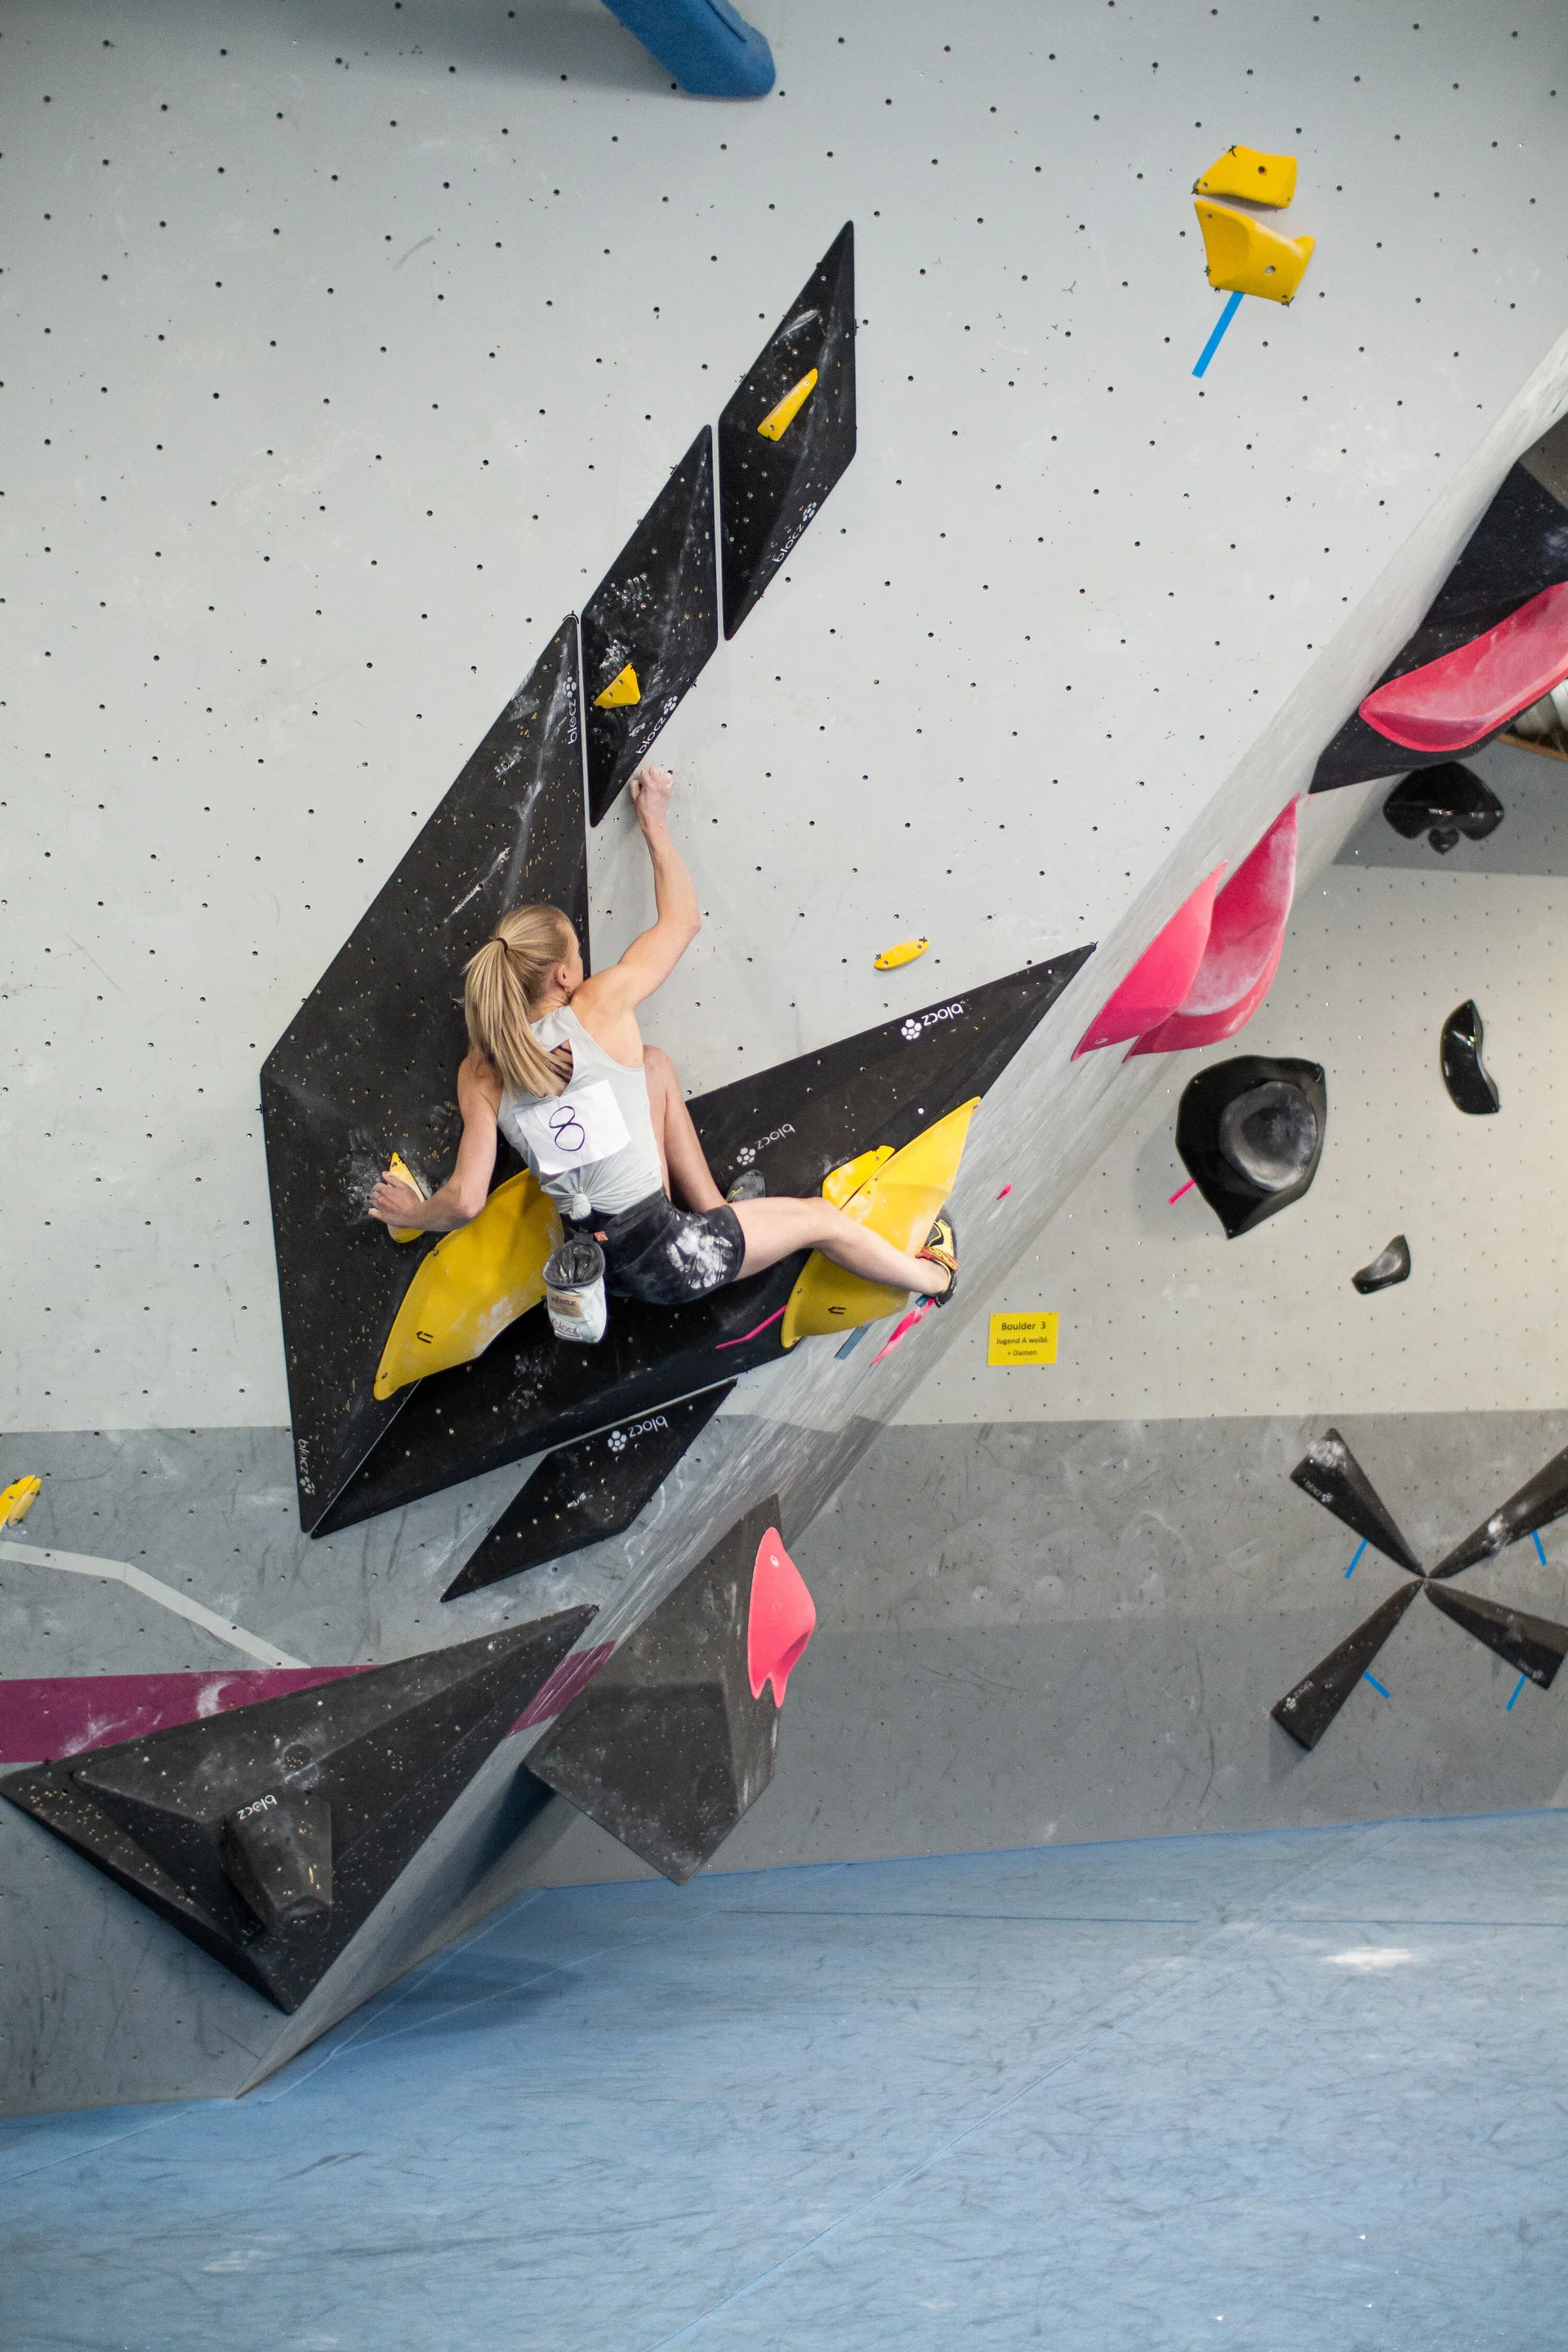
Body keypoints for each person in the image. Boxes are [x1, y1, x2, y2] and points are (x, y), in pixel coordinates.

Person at [368, 765, 958, 1315]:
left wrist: (413, 1214)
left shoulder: (480, 1069)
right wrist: (654, 822)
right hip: (675, 1262)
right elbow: (682, 922)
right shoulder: (597, 1006)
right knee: (821, 1219)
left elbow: (464, 1200)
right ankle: (934, 1278)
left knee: (651, 1066)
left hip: (599, 1264)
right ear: (564, 976)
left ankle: (717, 1212)